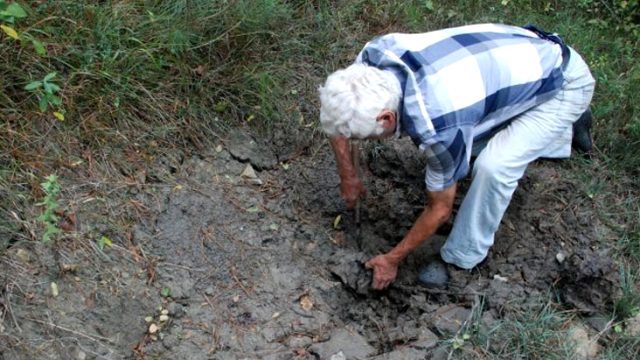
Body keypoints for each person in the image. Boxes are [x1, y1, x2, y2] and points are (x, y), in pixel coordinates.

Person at [318, 23, 595, 290]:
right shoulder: (370, 61)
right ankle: (555, 118)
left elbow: (439, 209)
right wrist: (348, 175)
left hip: (565, 80)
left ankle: (462, 256)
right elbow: (338, 116)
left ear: (387, 118)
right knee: (470, 142)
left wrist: (392, 260)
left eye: (362, 137)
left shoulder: (440, 127)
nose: (358, 141)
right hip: (517, 61)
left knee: (492, 167)